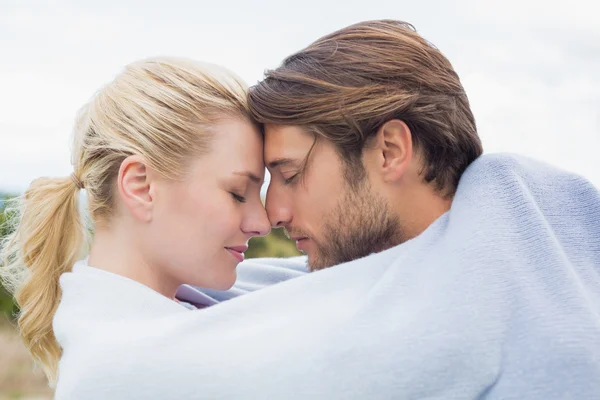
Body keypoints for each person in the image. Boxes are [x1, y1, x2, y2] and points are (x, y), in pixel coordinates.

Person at [0, 57, 275, 387]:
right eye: (237, 192)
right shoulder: (127, 373)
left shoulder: (190, 300)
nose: (263, 223)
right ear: (140, 186)